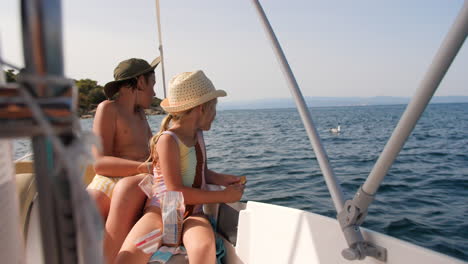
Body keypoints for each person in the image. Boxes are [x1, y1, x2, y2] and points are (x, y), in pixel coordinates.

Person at [114, 70, 245, 264]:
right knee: (129, 257)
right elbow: (175, 191)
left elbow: (201, 173)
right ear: (201, 108)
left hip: (193, 215)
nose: (215, 115)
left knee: (203, 248)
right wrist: (224, 196)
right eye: (214, 108)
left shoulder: (198, 135)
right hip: (161, 215)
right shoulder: (168, 140)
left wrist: (223, 179)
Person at [87, 57, 160, 221]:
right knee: (89, 206)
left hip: (142, 178)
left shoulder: (141, 114)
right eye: (153, 84)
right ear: (141, 82)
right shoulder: (108, 109)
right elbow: (99, 164)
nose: (154, 92)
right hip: (113, 178)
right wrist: (145, 167)